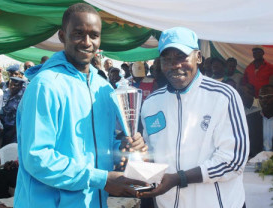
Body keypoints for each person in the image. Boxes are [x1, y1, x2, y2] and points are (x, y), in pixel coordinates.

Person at [14, 3, 147, 208]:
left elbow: (100, 149)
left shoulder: (104, 89)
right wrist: (100, 179)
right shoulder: (46, 85)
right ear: (62, 35)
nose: (87, 42)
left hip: (93, 202)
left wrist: (122, 148)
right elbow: (37, 157)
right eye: (78, 33)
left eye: (94, 35)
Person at [139, 27, 249, 208]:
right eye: (167, 59)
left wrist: (179, 178)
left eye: (181, 56)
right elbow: (150, 155)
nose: (174, 65)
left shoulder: (223, 96)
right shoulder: (151, 103)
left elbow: (234, 161)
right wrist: (136, 156)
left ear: (198, 57)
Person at [0, 77, 25, 147]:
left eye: (15, 85)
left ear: (21, 86)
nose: (12, 87)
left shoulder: (22, 98)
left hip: (15, 130)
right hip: (5, 128)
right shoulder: (7, 94)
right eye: (10, 84)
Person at [246, 84, 273, 157]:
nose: (264, 100)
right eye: (261, 98)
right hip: (255, 162)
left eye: (268, 97)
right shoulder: (250, 119)